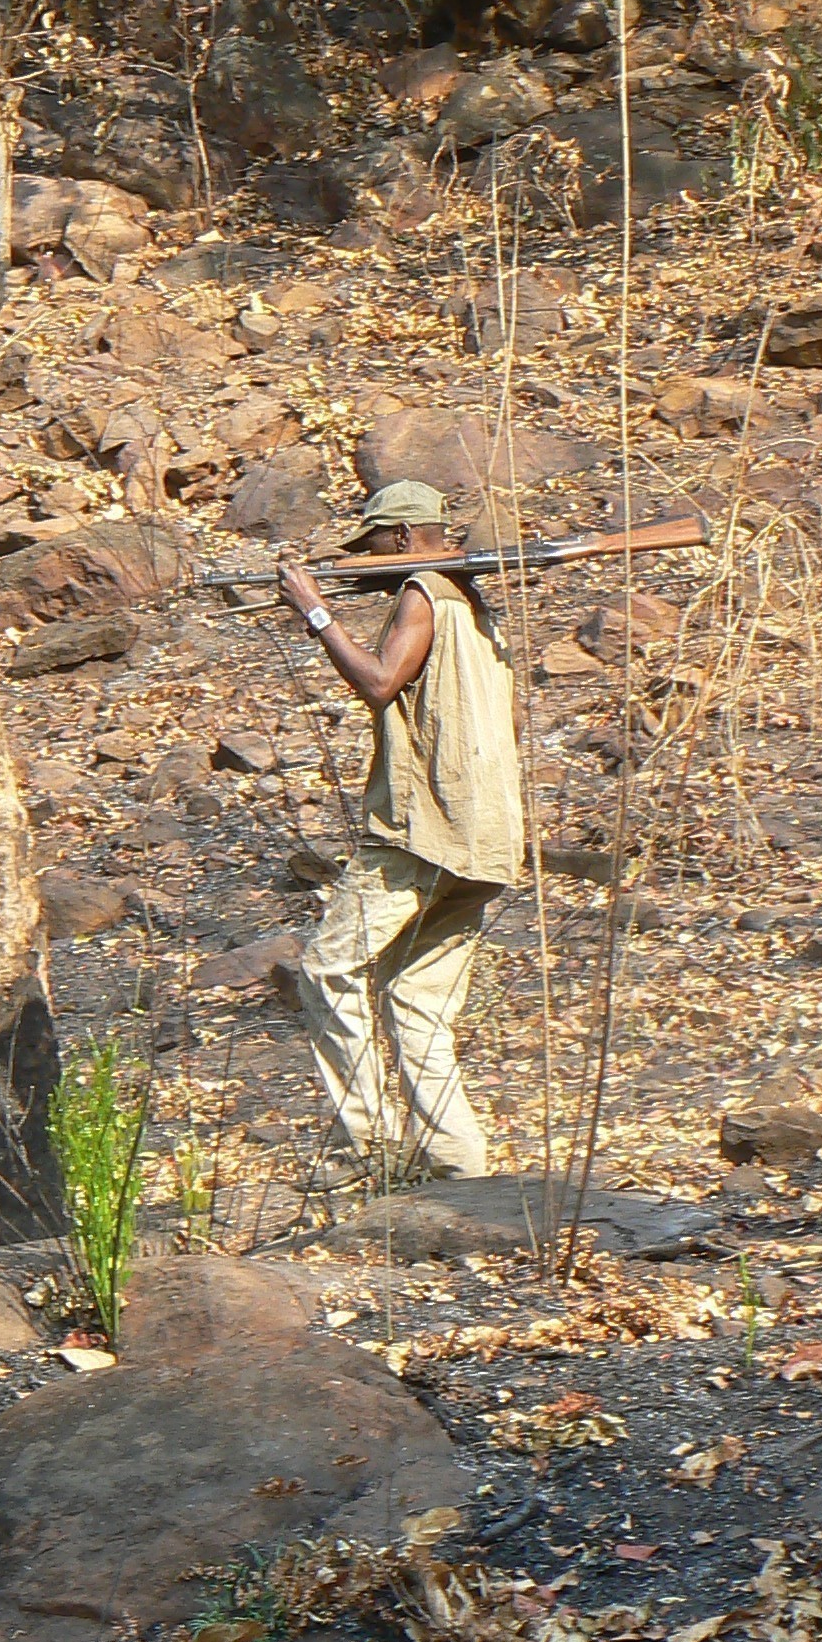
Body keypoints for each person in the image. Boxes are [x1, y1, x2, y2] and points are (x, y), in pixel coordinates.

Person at [276, 481, 526, 1189]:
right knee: (415, 997)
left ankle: (372, 1147)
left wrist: (317, 613)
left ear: (407, 537)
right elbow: (510, 725)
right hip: (488, 834)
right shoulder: (477, 609)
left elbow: (381, 683)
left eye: (376, 544)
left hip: (423, 832)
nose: (372, 558)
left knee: (327, 969)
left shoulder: (422, 590)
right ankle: (458, 1167)